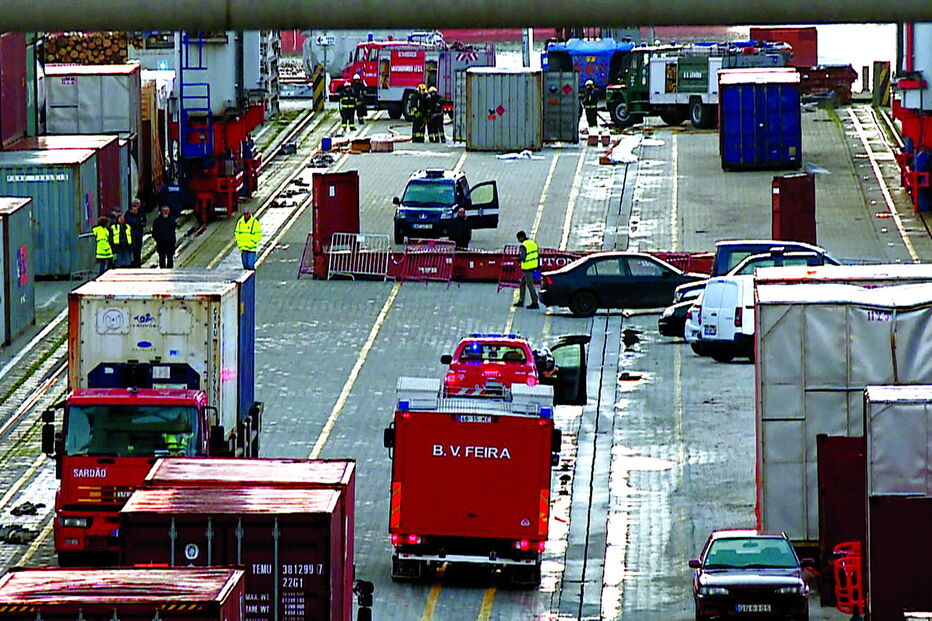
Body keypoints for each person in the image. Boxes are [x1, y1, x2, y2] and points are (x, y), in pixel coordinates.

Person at [514, 230, 540, 309]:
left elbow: (523, 257)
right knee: (522, 284)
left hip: (527, 268)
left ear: (521, 237)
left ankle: (535, 303)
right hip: (534, 266)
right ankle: (521, 301)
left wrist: (517, 259)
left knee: (530, 285)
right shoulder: (533, 243)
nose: (518, 241)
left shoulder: (523, 246)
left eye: (518, 239)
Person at [124, 199, 146, 268]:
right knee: (131, 250)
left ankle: (138, 264)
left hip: (138, 234)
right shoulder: (128, 214)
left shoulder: (141, 213)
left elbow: (143, 222)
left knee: (138, 250)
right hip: (130, 235)